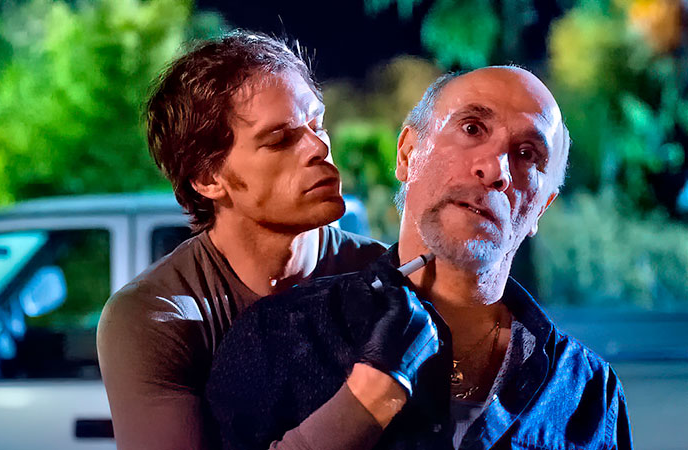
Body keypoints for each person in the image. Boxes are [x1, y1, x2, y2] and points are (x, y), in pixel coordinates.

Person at [205, 66, 633, 449]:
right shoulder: (279, 335)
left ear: (541, 208)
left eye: (526, 155)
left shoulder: (589, 392)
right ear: (408, 153)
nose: (495, 170)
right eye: (471, 128)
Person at [96, 31, 391, 450]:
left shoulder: (384, 276)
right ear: (208, 179)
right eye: (280, 140)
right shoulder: (157, 316)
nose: (318, 148)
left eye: (317, 124)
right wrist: (370, 398)